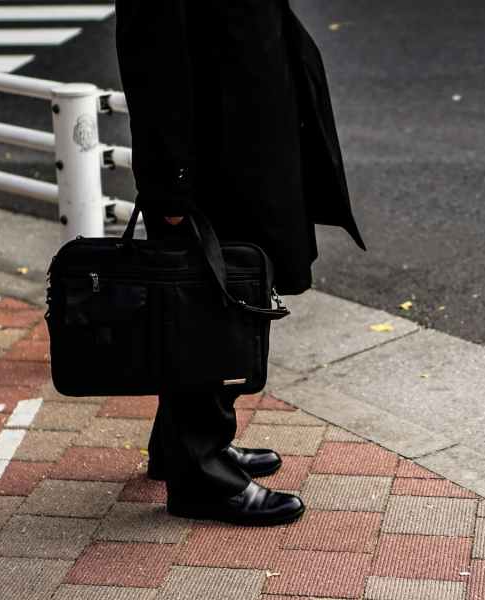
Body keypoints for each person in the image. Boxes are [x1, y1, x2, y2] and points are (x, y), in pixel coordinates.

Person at [114, 0, 366, 526]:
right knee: (204, 302)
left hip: (238, 143)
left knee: (216, 299)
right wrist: (170, 185)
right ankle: (202, 475)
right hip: (208, 158)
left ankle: (182, 447)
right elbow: (151, 54)